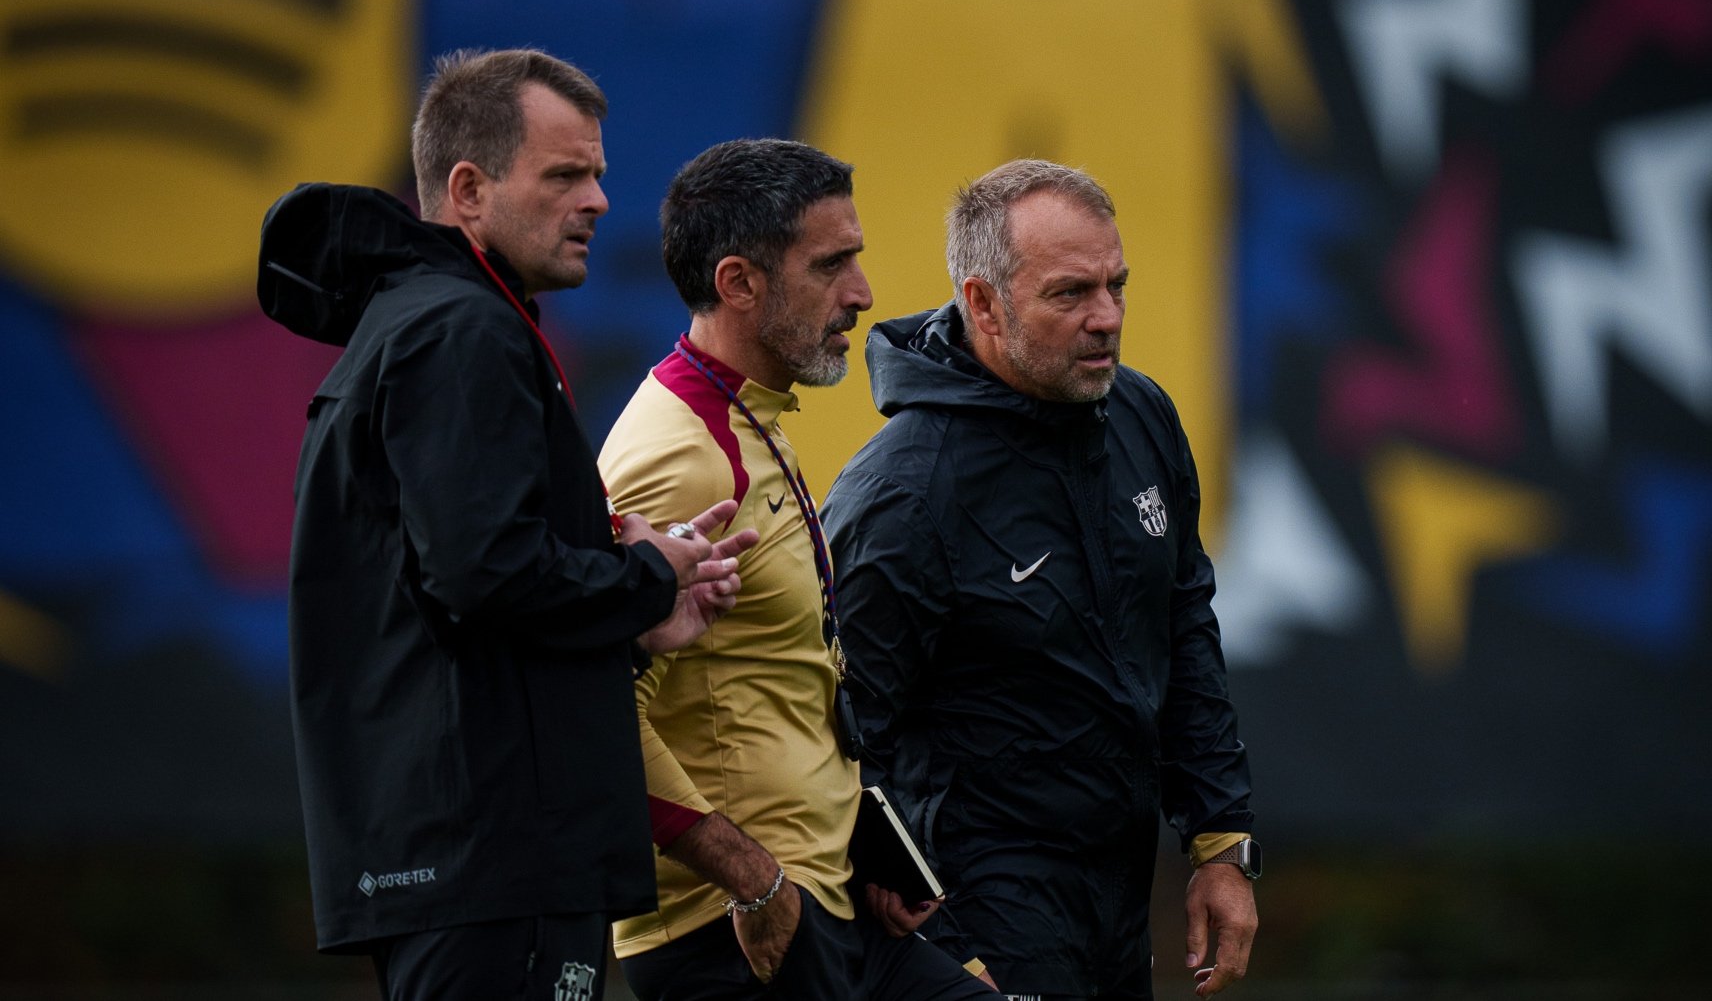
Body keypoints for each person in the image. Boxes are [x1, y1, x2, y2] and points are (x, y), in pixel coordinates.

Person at [257, 48, 754, 1000]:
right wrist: (644, 576)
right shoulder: (461, 330)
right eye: (566, 174)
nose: (600, 200)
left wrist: (636, 618)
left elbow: (457, 606)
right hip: (490, 862)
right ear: (468, 189)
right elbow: (484, 570)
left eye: (599, 172)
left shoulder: (417, 321)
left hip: (455, 861)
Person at [820, 159, 1260, 1000]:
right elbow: (842, 741)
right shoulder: (904, 495)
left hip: (1120, 899)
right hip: (982, 914)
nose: (1107, 318)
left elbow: (1183, 627)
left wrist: (1222, 840)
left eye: (1116, 285)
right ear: (982, 302)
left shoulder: (1142, 414)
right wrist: (939, 947)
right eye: (1070, 294)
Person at [596, 138, 995, 1001]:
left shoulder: (746, 410)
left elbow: (777, 683)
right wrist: (754, 877)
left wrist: (860, 847)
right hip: (738, 930)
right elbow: (588, 706)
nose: (863, 293)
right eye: (832, 265)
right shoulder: (677, 455)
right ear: (739, 283)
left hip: (827, 899)